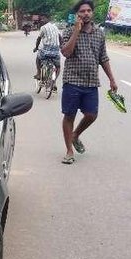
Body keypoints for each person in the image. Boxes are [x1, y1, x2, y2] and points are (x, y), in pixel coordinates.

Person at [59, 0, 118, 165]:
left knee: (92, 115)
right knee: (69, 115)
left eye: (88, 11)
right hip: (72, 81)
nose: (85, 13)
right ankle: (69, 151)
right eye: (82, 11)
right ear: (77, 14)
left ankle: (75, 135)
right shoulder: (68, 31)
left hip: (91, 82)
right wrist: (76, 32)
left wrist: (112, 79)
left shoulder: (99, 33)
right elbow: (66, 52)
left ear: (92, 13)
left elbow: (103, 58)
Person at [33, 17, 63, 90]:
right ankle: (54, 82)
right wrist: (61, 46)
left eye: (42, 20)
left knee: (38, 58)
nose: (41, 21)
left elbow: (39, 39)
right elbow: (60, 38)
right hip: (55, 50)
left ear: (45, 21)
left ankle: (39, 73)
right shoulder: (55, 27)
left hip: (46, 50)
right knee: (58, 67)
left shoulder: (43, 28)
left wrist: (36, 48)